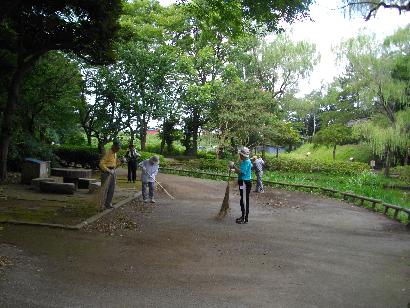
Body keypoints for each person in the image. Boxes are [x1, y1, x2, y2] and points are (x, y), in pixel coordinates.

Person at [229, 147, 252, 224]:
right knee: (242, 200)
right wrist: (234, 170)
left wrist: (233, 166)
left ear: (242, 155)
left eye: (240, 154)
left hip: (245, 183)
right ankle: (243, 216)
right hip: (243, 183)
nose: (239, 155)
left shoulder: (246, 162)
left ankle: (245, 219)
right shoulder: (244, 161)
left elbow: (242, 173)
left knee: (244, 201)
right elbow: (240, 172)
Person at [99, 139, 122, 210]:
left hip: (113, 172)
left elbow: (114, 164)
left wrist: (120, 161)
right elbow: (101, 164)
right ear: (114, 146)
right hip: (106, 173)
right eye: (117, 148)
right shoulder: (108, 153)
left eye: (119, 148)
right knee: (105, 189)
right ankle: (101, 205)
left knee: (111, 189)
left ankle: (108, 203)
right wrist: (108, 170)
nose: (118, 150)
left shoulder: (115, 153)